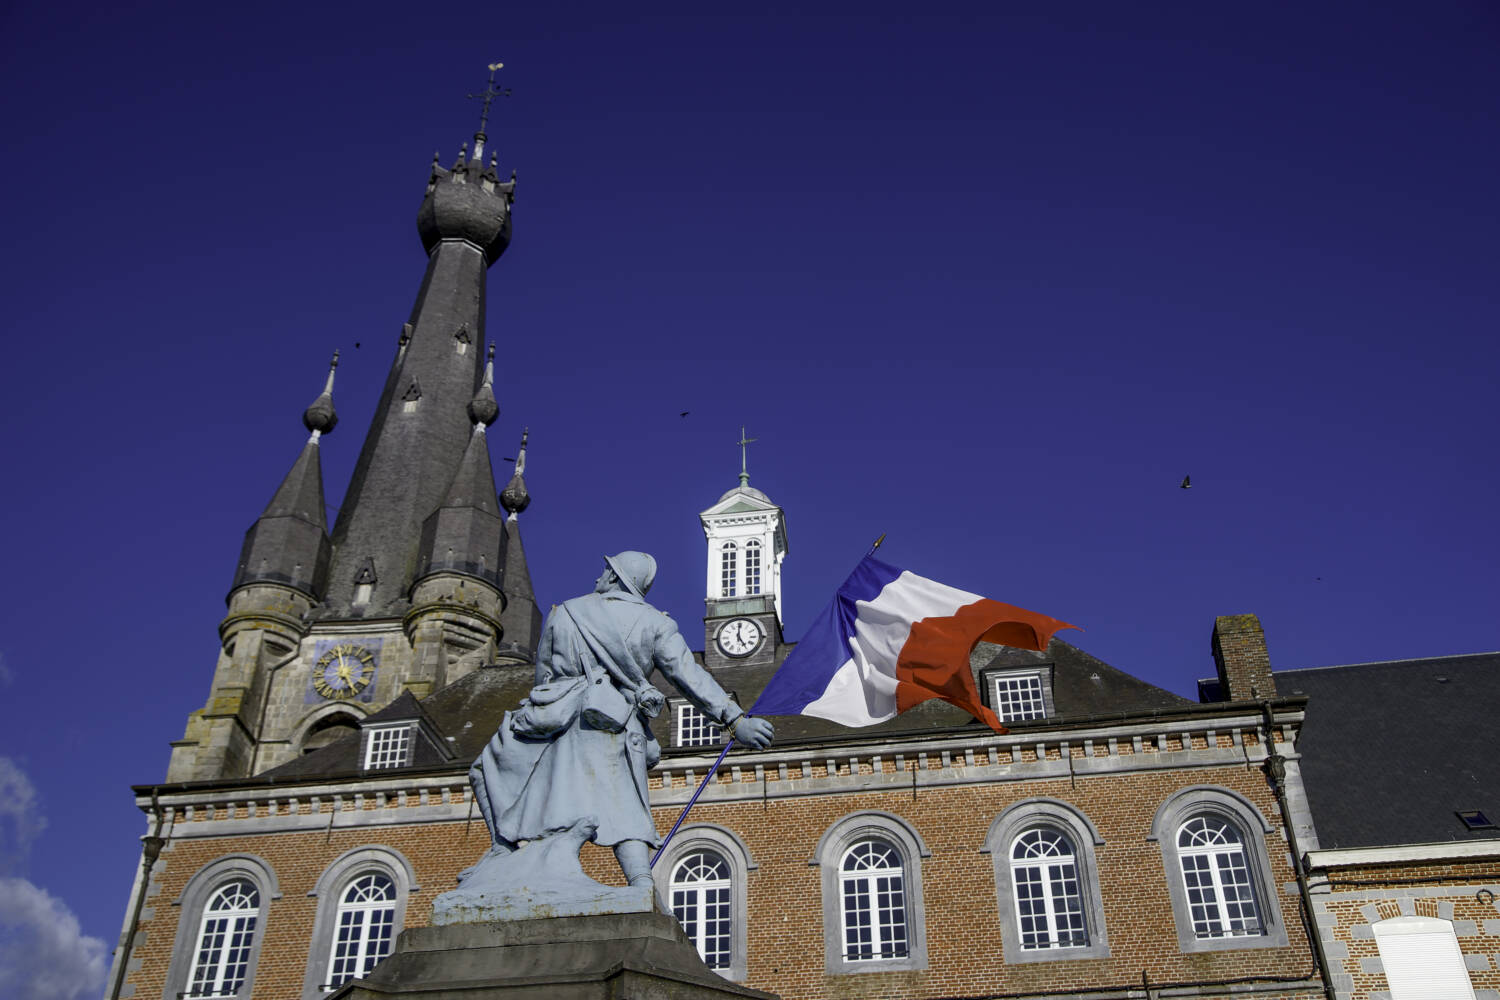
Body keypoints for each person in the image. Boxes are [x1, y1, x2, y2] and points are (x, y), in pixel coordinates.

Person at [466, 551, 774, 890]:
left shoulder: (565, 613)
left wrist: (549, 710)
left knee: (487, 768)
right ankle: (640, 881)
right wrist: (735, 720)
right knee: (625, 802)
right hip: (619, 724)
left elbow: (544, 678)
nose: (599, 576)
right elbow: (689, 677)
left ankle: (504, 848)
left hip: (561, 722)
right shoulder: (657, 624)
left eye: (605, 570)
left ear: (614, 577)